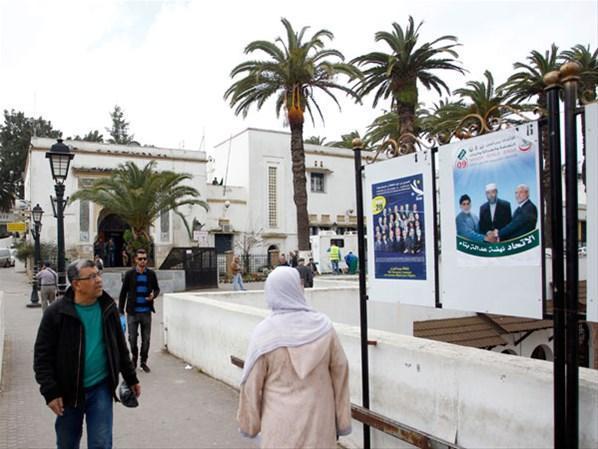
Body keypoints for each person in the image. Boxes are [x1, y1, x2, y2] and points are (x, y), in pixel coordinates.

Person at [238, 267, 351, 448]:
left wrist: (250, 424)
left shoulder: (265, 333)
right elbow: (341, 370)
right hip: (320, 421)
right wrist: (342, 420)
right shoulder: (323, 327)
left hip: (280, 425)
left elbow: (251, 384)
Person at [34, 259, 140, 449]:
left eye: (98, 274)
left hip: (101, 388)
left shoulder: (108, 309)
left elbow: (120, 346)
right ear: (76, 284)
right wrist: (50, 392)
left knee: (101, 443)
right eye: (91, 277)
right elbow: (42, 357)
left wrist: (131, 378)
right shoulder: (56, 313)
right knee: (67, 444)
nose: (99, 280)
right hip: (67, 392)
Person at [119, 249, 160, 372]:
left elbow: (157, 289)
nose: (143, 261)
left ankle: (143, 361)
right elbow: (123, 293)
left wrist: (154, 295)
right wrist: (120, 310)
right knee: (132, 339)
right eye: (140, 259)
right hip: (132, 312)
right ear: (136, 260)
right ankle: (134, 358)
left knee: (146, 339)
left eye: (145, 259)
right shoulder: (130, 274)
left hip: (146, 312)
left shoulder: (151, 274)